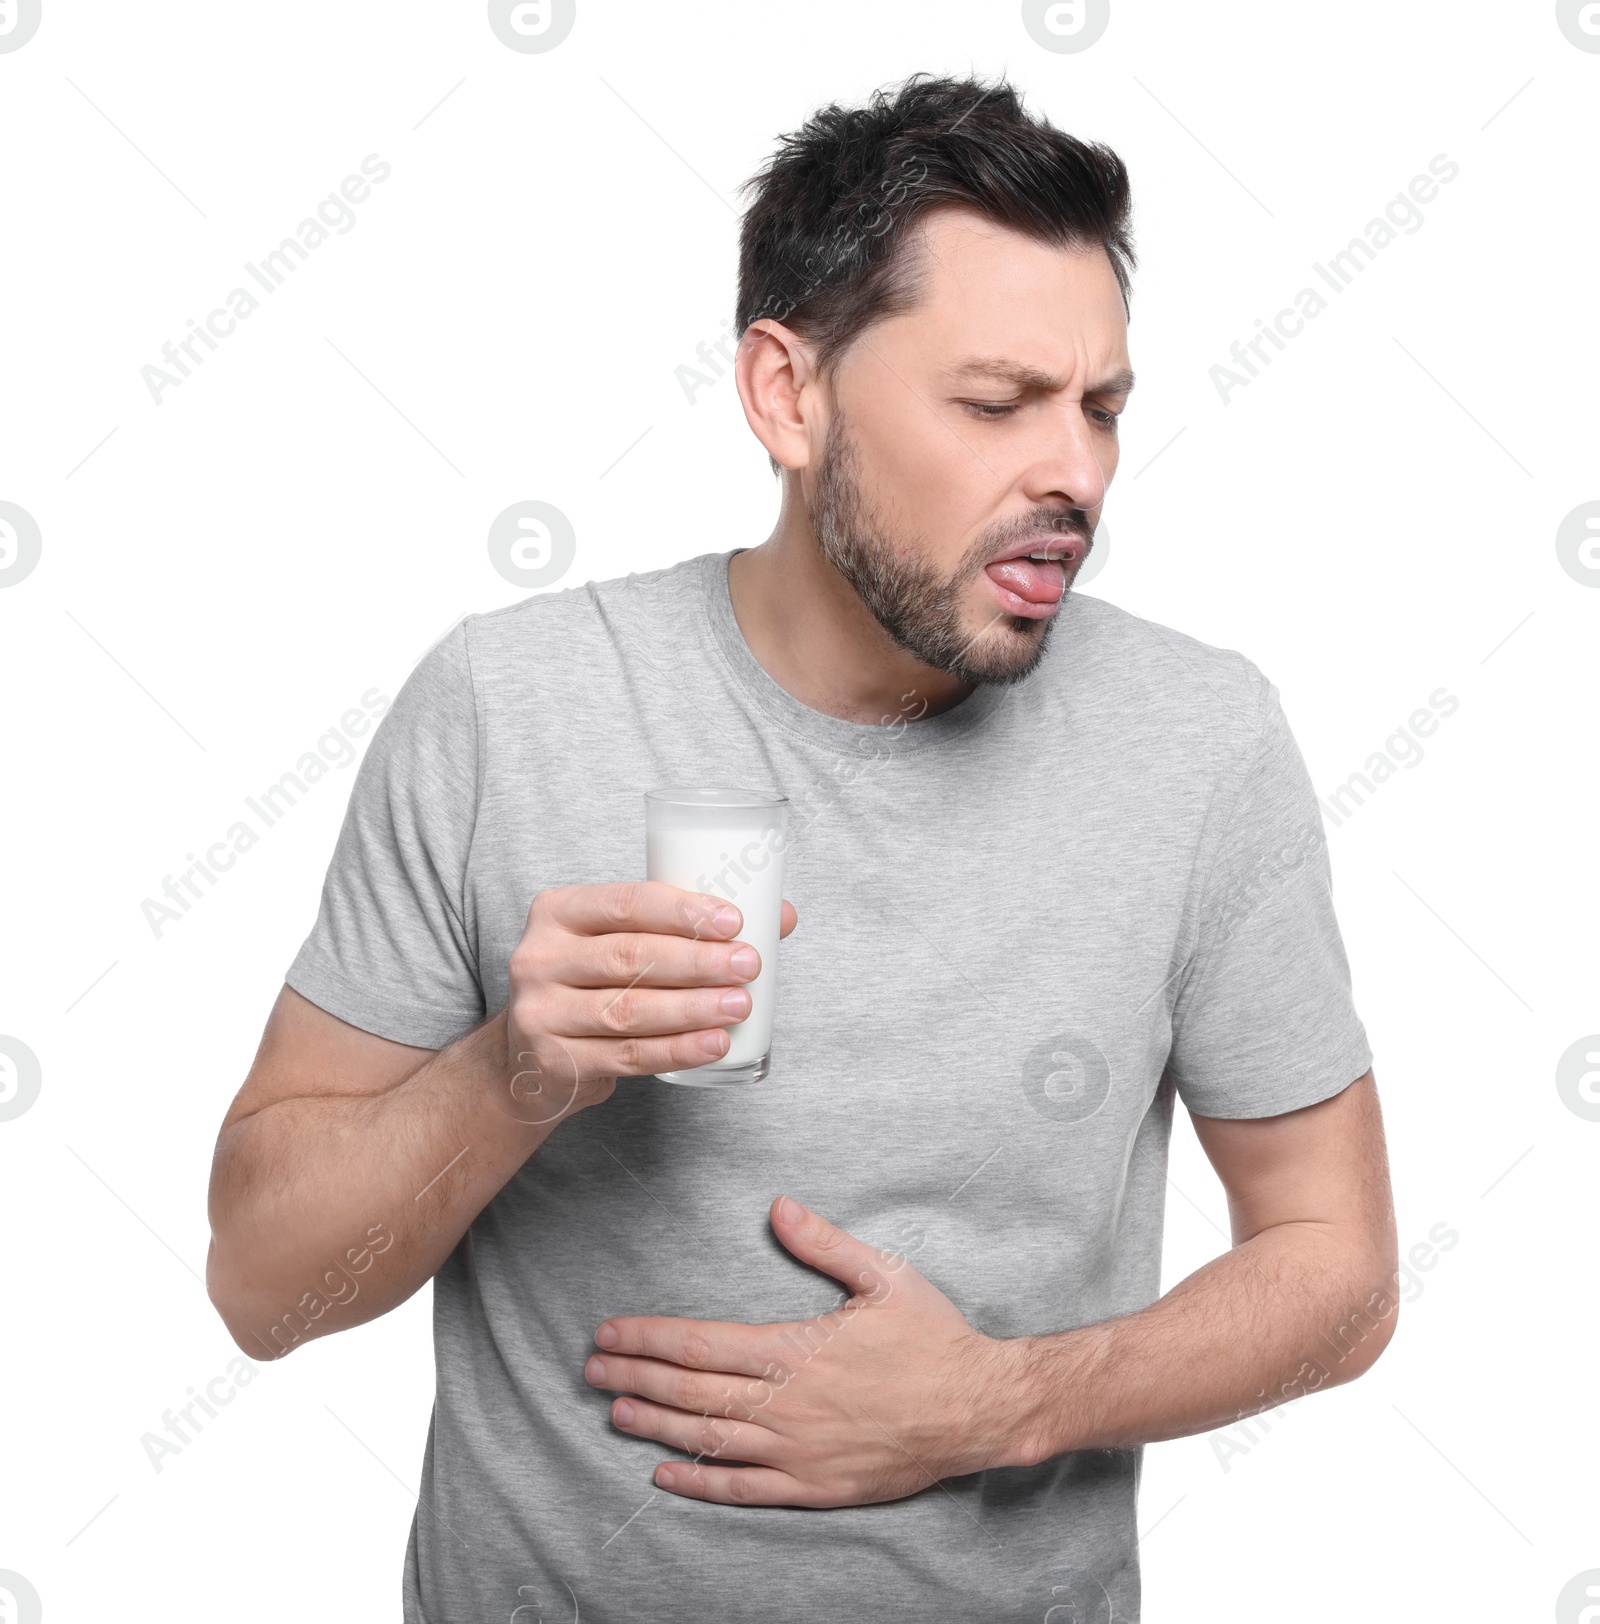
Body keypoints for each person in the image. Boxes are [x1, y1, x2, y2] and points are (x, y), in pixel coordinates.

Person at [206, 72, 1397, 1623]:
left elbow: (1340, 1270)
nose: (1079, 476)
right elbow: (263, 1291)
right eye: (996, 403)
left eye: (1101, 406)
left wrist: (999, 1404)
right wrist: (512, 1073)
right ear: (787, 393)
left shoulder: (1200, 744)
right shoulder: (514, 706)